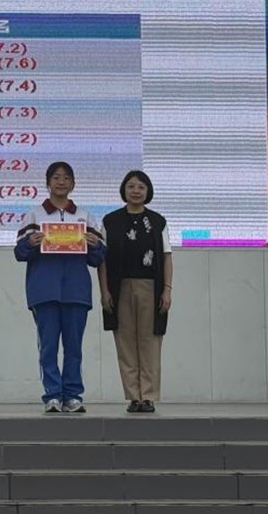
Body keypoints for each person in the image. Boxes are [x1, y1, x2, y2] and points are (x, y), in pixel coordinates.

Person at [14, 161, 106, 413]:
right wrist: (30, 243)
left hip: (76, 291)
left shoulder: (85, 216)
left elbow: (98, 258)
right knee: (48, 347)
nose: (61, 182)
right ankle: (52, 395)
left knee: (74, 348)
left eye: (66, 178)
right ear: (48, 183)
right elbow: (19, 253)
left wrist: (95, 245)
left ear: (73, 183)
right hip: (44, 291)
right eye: (56, 177)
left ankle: (73, 396)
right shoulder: (34, 215)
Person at [98, 170, 173, 413]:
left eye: (141, 187)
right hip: (120, 288)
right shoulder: (110, 221)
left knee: (150, 342)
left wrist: (167, 290)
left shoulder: (158, 221)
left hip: (151, 287)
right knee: (126, 342)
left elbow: (166, 257)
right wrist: (104, 291)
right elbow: (102, 260)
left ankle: (148, 396)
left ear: (148, 191)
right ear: (124, 190)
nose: (136, 191)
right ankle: (133, 397)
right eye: (131, 186)